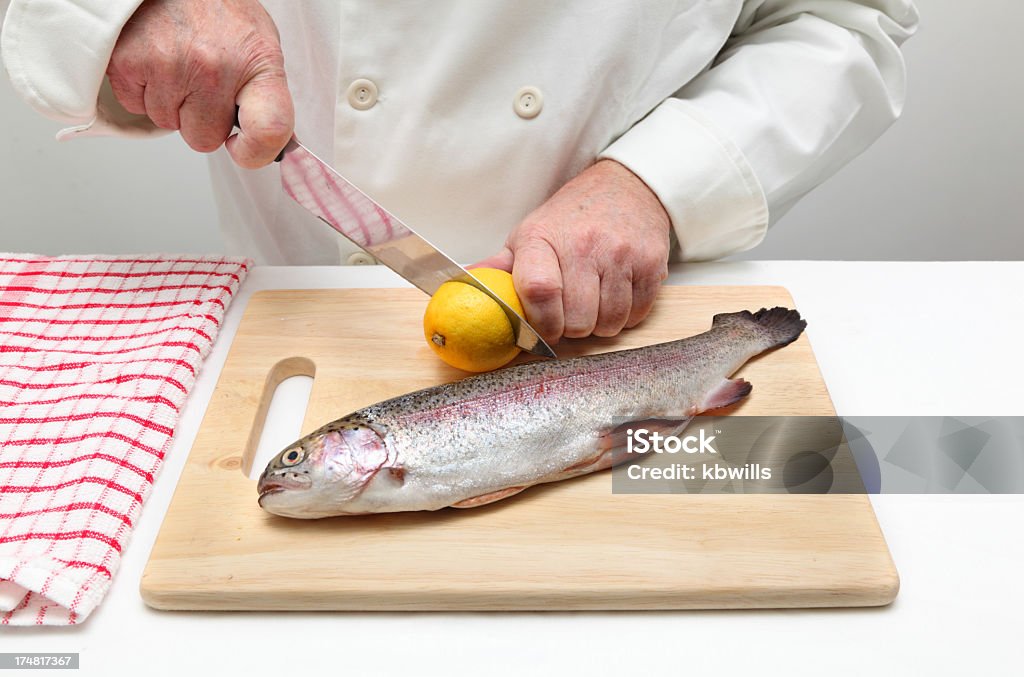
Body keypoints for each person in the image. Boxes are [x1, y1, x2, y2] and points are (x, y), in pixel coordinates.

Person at [1, 0, 918, 344]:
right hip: (289, 311)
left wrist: (657, 181)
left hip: (625, 320)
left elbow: (845, 17)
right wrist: (124, 11)